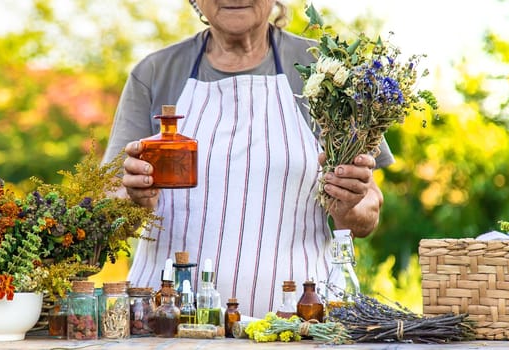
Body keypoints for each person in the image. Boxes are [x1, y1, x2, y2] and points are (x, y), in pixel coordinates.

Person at [102, 0, 394, 317]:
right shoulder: (156, 73)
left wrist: (350, 202)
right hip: (165, 325)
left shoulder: (328, 73)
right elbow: (107, 206)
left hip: (300, 326)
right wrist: (133, 200)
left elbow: (368, 210)